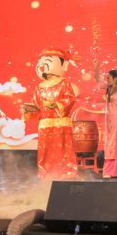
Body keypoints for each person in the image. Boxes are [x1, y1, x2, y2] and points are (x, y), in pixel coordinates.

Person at [21, 48, 78, 179]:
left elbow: (70, 99)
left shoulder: (64, 82)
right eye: (40, 62)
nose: (42, 64)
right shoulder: (39, 87)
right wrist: (28, 109)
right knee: (45, 151)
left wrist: (56, 104)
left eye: (47, 60)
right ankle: (46, 174)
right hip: (45, 124)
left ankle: (66, 173)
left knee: (62, 150)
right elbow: (36, 105)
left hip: (61, 125)